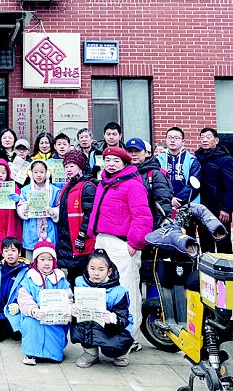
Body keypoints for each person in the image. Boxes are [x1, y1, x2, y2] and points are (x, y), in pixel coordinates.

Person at [87, 146, 153, 344]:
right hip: (103, 240)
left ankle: (131, 338)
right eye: (108, 160)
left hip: (122, 244)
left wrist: (135, 241)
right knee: (102, 289)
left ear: (125, 163)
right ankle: (107, 335)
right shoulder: (104, 183)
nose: (111, 164)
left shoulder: (133, 185)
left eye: (116, 161)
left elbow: (142, 215)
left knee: (127, 290)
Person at [70, 249, 133, 368]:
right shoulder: (80, 282)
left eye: (101, 269)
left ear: (109, 271)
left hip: (111, 326)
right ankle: (90, 353)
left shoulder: (118, 292)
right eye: (92, 268)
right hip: (89, 321)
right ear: (87, 268)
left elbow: (123, 317)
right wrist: (73, 308)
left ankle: (121, 354)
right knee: (80, 324)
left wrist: (113, 318)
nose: (96, 273)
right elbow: (74, 301)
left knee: (113, 346)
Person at [16, 240, 73, 365]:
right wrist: (33, 310)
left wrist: (67, 309)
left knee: (56, 328)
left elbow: (69, 298)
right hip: (35, 315)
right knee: (31, 324)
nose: (46, 263)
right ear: (36, 261)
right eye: (42, 259)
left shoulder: (61, 280)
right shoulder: (29, 279)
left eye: (50, 259)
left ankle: (53, 354)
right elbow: (24, 299)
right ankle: (31, 353)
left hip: (55, 316)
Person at [53, 150, 97, 284]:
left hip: (80, 240)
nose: (68, 169)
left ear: (81, 167)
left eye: (72, 166)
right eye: (66, 166)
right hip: (67, 239)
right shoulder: (68, 186)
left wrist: (82, 235)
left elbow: (90, 213)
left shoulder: (87, 186)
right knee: (72, 276)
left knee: (83, 276)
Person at [194, 127, 233, 253]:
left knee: (223, 245)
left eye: (208, 137)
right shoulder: (197, 159)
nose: (204, 140)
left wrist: (226, 209)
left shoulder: (225, 160)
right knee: (205, 245)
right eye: (202, 137)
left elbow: (230, 187)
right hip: (202, 209)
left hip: (219, 210)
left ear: (216, 140)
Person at [0, 236, 30, 343]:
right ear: (2, 254)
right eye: (6, 251)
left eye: (13, 250)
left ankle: (12, 327)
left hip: (15, 311)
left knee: (17, 335)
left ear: (19, 252)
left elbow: (29, 293)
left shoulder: (26, 272)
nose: (10, 254)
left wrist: (18, 305)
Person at [124, 138, 173, 228]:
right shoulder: (122, 174)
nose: (134, 154)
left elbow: (163, 203)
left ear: (146, 153)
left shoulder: (155, 174)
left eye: (137, 151)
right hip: (127, 226)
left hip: (150, 226)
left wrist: (157, 227)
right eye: (130, 151)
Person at [17, 160, 61, 260]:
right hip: (31, 229)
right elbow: (20, 207)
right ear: (31, 173)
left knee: (49, 259)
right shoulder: (25, 190)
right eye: (35, 172)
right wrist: (25, 209)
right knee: (30, 261)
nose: (39, 175)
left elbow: (59, 207)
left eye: (42, 172)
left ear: (47, 173)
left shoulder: (54, 190)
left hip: (49, 228)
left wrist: (54, 211)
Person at [157, 127, 202, 208]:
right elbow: (157, 184)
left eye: (176, 138)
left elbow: (194, 185)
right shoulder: (158, 160)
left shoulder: (192, 161)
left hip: (187, 205)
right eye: (170, 138)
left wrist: (178, 200)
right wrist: (170, 199)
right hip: (164, 204)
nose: (172, 140)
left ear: (183, 141)